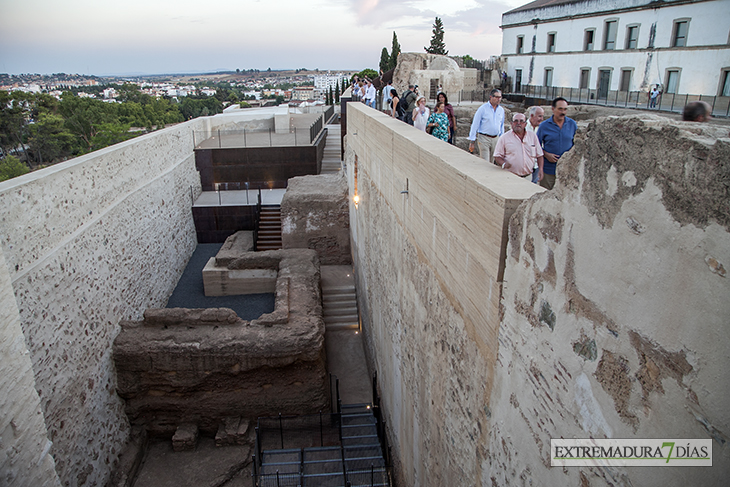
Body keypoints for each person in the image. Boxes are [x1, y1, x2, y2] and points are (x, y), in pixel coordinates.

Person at [536, 97, 577, 190]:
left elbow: (577, 144)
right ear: (553, 109)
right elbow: (536, 146)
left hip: (567, 170)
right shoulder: (544, 126)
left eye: (565, 109)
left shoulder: (572, 124)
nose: (563, 112)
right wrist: (546, 155)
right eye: (560, 109)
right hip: (549, 170)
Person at [494, 113, 544, 181]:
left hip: (528, 177)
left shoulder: (532, 136)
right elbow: (497, 156)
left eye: (521, 121)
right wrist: (504, 164)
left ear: (525, 124)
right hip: (510, 177)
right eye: (516, 121)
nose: (518, 123)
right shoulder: (504, 138)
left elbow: (539, 155)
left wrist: (540, 170)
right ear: (511, 124)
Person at [468, 89, 505, 163]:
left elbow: (501, 125)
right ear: (491, 97)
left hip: (495, 138)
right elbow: (475, 124)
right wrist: (472, 140)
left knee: (492, 161)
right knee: (485, 160)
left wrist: (502, 139)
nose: (498, 99)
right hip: (484, 138)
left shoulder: (501, 110)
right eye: (496, 97)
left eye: (500, 97)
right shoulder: (483, 109)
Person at [526, 106, 545, 183]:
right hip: (526, 164)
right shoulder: (524, 127)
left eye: (542, 116)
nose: (542, 119)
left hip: (536, 164)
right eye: (539, 116)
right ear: (531, 116)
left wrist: (541, 168)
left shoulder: (542, 128)